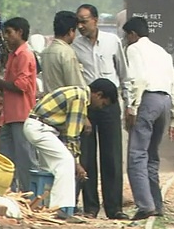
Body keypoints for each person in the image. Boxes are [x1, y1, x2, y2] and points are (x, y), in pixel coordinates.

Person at [22, 80, 114, 223]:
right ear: (98, 95)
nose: (100, 107)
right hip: (40, 128)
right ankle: (59, 209)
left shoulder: (76, 91)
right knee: (65, 162)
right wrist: (76, 163)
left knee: (51, 169)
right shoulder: (80, 98)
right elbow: (72, 136)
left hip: (38, 126)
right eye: (103, 103)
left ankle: (42, 208)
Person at [72, 4, 132, 220]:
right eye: (78, 21)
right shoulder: (74, 46)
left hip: (109, 105)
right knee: (86, 157)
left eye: (84, 21)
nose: (80, 26)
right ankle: (90, 207)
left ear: (95, 20)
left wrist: (129, 105)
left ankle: (114, 207)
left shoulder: (112, 42)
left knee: (112, 156)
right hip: (86, 106)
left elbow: (124, 75)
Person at [123, 16, 174, 220]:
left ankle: (145, 205)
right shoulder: (163, 52)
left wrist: (132, 107)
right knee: (152, 155)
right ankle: (156, 204)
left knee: (137, 154)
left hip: (147, 100)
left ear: (132, 34)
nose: (126, 40)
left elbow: (137, 79)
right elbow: (173, 84)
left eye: (126, 36)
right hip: (164, 102)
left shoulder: (134, 49)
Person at [0, 17, 38, 191]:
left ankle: (31, 195)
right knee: (6, 158)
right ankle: (11, 192)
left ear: (20, 32)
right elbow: (9, 86)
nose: (7, 37)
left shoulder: (25, 55)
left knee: (25, 158)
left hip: (22, 114)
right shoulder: (13, 55)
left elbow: (21, 86)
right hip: (10, 115)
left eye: (9, 33)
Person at [40, 11, 86, 92]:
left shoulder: (45, 52)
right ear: (71, 31)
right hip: (65, 102)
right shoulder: (66, 52)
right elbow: (76, 86)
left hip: (50, 102)